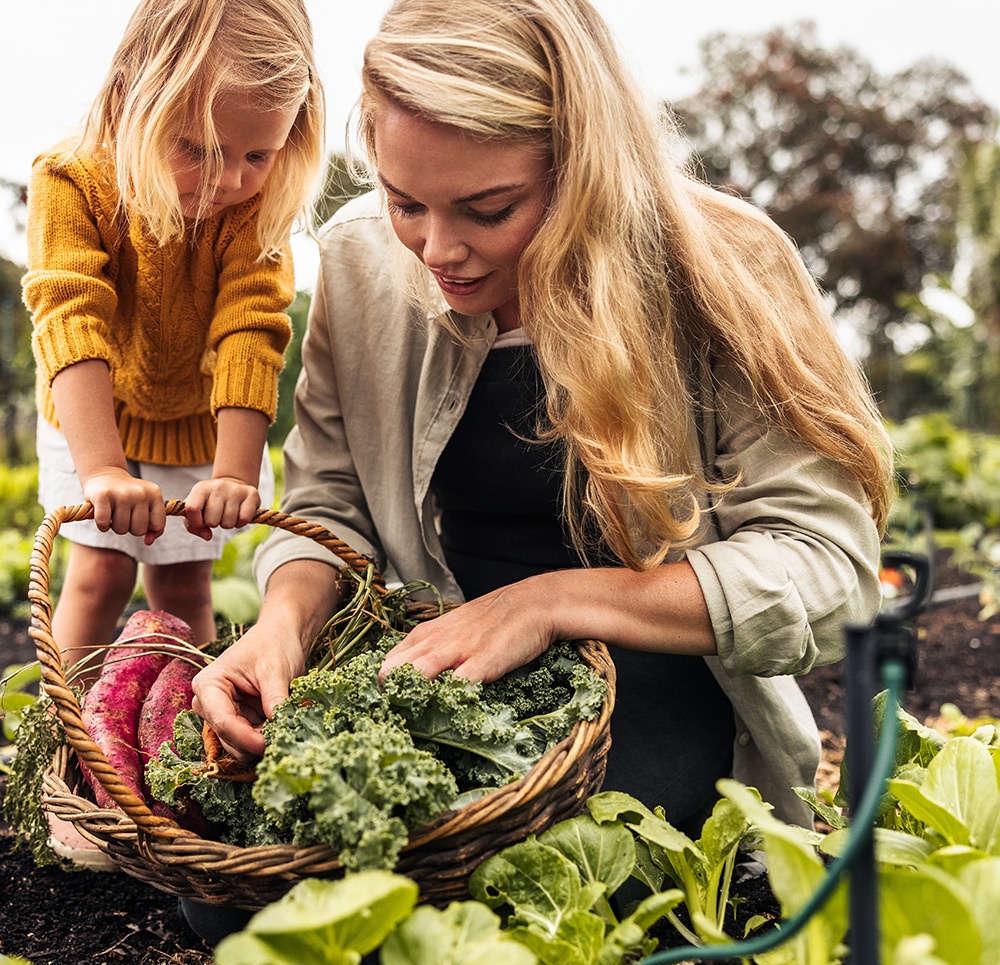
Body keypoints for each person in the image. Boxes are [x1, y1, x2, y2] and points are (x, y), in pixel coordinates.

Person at [193, 0, 894, 833]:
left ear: (584, 168)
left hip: (653, 677)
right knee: (251, 845)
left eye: (489, 210)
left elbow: (826, 570)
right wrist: (283, 624)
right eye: (405, 201)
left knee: (561, 852)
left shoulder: (723, 267)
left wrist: (547, 603)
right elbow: (329, 501)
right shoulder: (359, 257)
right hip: (434, 656)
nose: (438, 250)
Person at [23, 0, 325, 673]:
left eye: (258, 154)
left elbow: (251, 330)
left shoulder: (254, 207)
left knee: (184, 589)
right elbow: (70, 315)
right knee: (99, 575)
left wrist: (234, 474)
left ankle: (190, 725)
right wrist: (103, 470)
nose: (232, 178)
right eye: (198, 149)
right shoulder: (71, 181)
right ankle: (59, 726)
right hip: (92, 412)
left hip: (196, 423)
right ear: (129, 100)